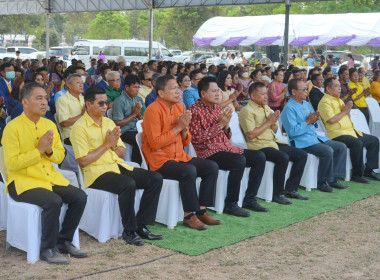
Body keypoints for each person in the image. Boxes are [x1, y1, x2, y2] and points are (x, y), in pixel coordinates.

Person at [2, 82, 87, 264]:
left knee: (79, 196)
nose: (44, 103)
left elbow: (59, 156)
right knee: (53, 201)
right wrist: (39, 150)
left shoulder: (48, 124)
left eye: (46, 98)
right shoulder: (13, 128)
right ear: (25, 102)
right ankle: (47, 248)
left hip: (48, 179)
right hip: (23, 182)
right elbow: (13, 163)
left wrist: (48, 151)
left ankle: (64, 241)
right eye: (38, 98)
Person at [70, 86, 163, 245]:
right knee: (128, 184)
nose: (105, 106)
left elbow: (121, 152)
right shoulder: (79, 127)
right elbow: (83, 161)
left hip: (116, 166)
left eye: (106, 103)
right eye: (100, 103)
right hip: (96, 172)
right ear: (88, 105)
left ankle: (141, 225)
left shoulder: (108, 122)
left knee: (155, 178)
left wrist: (111, 145)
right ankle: (129, 231)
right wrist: (106, 145)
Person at [142, 75, 220, 230]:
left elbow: (186, 141)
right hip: (160, 161)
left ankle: (201, 210)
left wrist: (184, 128)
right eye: (173, 88)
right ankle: (188, 215)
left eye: (178, 88)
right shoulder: (153, 111)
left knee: (211, 167)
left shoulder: (179, 108)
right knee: (188, 170)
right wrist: (177, 127)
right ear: (161, 93)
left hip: (179, 156)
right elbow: (155, 143)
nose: (178, 92)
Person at [189, 77, 270, 214]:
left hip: (226, 148)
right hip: (207, 152)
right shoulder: (194, 112)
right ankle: (231, 203)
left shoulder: (217, 109)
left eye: (218, 92)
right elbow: (197, 139)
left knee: (259, 156)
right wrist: (220, 125)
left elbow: (226, 136)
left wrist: (225, 127)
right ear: (203, 93)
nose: (217, 94)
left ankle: (249, 199)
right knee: (239, 160)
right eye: (214, 91)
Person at [239, 82, 309, 201]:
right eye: (262, 94)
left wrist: (274, 122)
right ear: (253, 96)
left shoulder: (266, 107)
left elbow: (274, 129)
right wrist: (268, 123)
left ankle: (291, 189)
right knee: (282, 157)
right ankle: (278, 194)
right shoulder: (247, 111)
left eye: (266, 94)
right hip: (259, 145)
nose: (266, 97)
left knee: (301, 155)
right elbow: (250, 135)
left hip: (272, 142)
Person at [281, 79, 348, 193]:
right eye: (304, 90)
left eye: (306, 89)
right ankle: (321, 182)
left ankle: (332, 178)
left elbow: (313, 122)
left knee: (341, 147)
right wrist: (307, 121)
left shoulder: (306, 103)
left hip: (313, 137)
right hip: (301, 141)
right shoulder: (288, 109)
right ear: (293, 92)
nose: (306, 91)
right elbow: (292, 132)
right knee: (327, 151)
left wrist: (315, 117)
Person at [319, 77, 380, 184]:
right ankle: (357, 174)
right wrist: (345, 111)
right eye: (336, 86)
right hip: (337, 133)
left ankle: (369, 170)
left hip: (351, 131)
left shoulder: (338, 100)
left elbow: (347, 117)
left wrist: (347, 111)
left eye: (339, 85)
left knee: (374, 140)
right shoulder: (325, 102)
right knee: (357, 143)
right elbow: (332, 120)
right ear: (328, 89)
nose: (339, 88)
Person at [112, 74, 145, 164]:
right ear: (126, 87)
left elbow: (143, 117)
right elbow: (117, 123)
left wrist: (138, 115)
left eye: (138, 87)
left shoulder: (138, 99)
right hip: (125, 131)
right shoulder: (119, 101)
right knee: (139, 138)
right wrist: (134, 114)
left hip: (138, 128)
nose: (137, 90)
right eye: (134, 87)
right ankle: (137, 163)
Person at [56, 74, 85, 145]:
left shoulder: (83, 98)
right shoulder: (62, 100)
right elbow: (64, 123)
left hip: (85, 132)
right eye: (78, 83)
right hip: (71, 135)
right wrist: (82, 115)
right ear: (69, 85)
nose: (81, 85)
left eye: (82, 83)